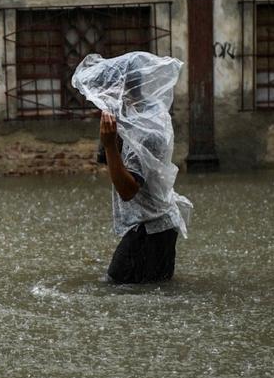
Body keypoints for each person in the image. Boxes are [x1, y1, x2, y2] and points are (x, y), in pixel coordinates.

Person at [72, 52, 192, 284]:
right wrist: (111, 135)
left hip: (152, 229)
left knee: (115, 286)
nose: (103, 99)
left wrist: (109, 144)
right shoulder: (139, 114)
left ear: (123, 90)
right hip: (155, 226)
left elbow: (127, 190)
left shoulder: (147, 130)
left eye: (107, 92)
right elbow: (109, 162)